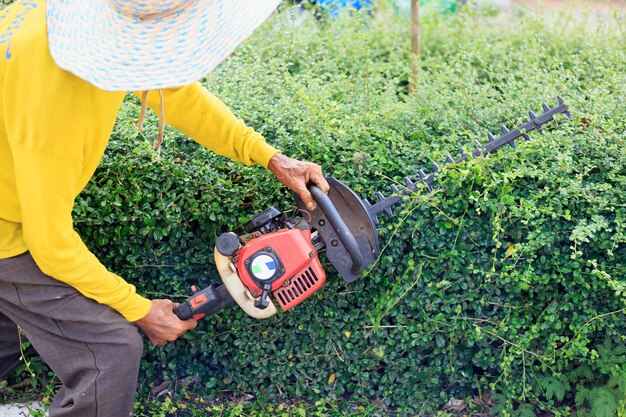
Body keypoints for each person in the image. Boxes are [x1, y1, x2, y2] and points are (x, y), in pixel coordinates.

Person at [0, 1, 330, 416]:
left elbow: (173, 91)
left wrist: (267, 156)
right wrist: (140, 310)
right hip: (5, 234)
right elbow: (49, 244)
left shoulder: (67, 19)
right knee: (110, 351)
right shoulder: (57, 95)